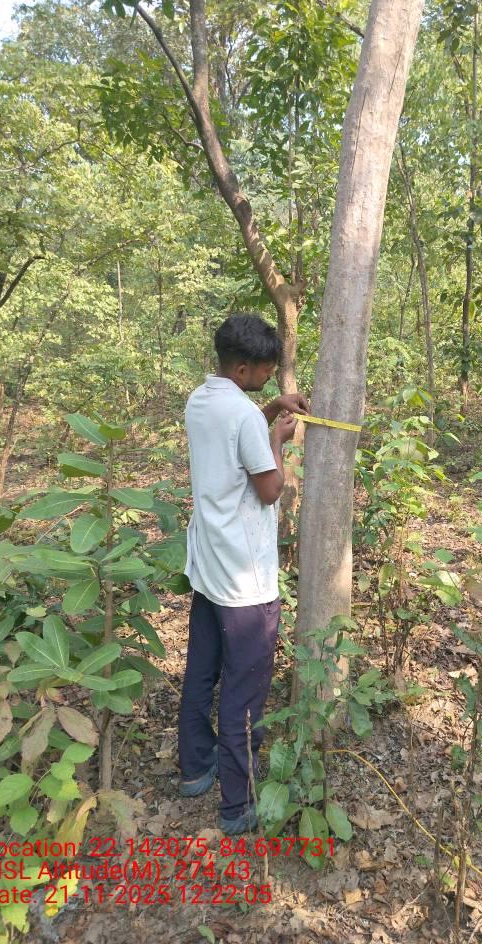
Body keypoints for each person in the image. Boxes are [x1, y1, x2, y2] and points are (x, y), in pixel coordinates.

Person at [178, 312, 310, 835]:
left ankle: (195, 769)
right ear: (241, 368)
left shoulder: (201, 399)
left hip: (208, 566)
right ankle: (237, 805)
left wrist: (271, 409)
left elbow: (236, 428)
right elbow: (270, 489)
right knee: (244, 690)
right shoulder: (245, 419)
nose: (270, 376)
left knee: (201, 672)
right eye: (265, 372)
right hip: (246, 579)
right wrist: (276, 438)